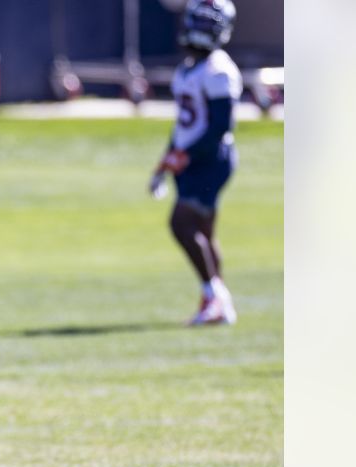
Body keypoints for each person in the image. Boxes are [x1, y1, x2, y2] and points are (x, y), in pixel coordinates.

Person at [149, 0, 241, 326]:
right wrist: (166, 160)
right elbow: (184, 125)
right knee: (203, 231)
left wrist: (186, 155)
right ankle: (217, 301)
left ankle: (214, 295)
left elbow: (220, 127)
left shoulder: (219, 70)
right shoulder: (188, 67)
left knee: (182, 225)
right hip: (192, 158)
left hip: (210, 160)